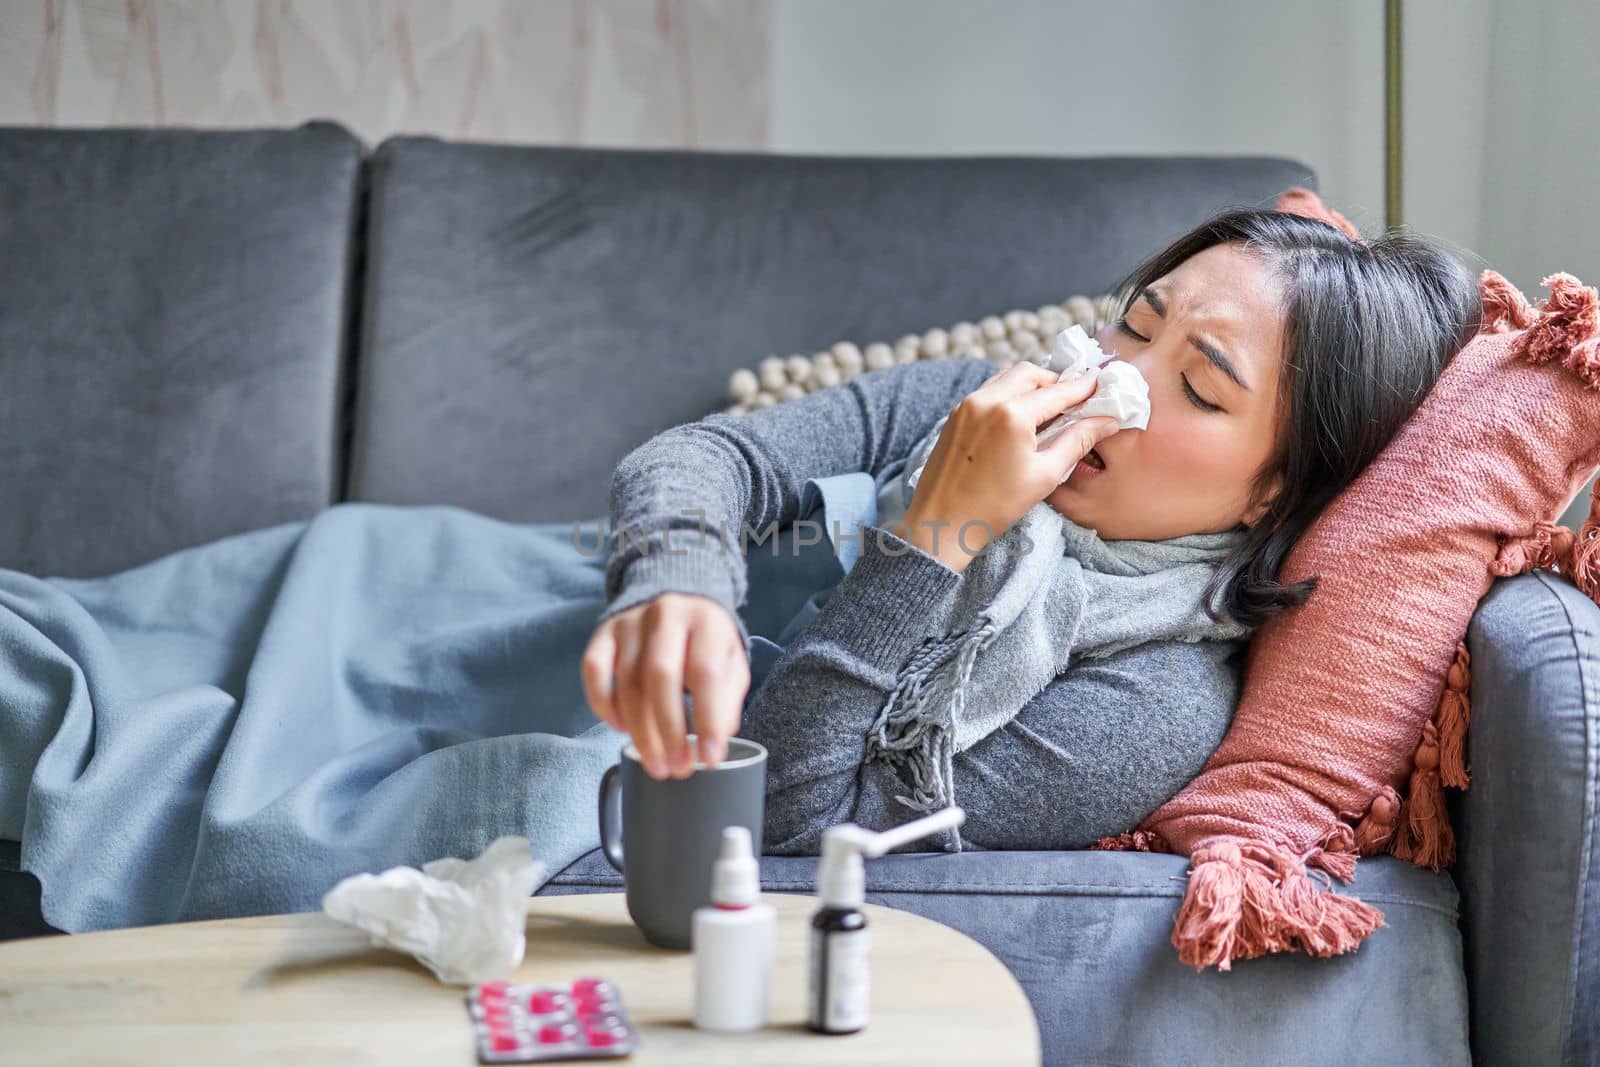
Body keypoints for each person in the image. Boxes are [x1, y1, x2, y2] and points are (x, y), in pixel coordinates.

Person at [581, 206, 1482, 854]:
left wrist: (941, 529)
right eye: (1134, 323)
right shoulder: (973, 403)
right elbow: (710, 457)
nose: (1109, 382)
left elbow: (790, 816)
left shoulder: (1151, 705)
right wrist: (677, 577)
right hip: (571, 605)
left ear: (1270, 494)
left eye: (1201, 389)